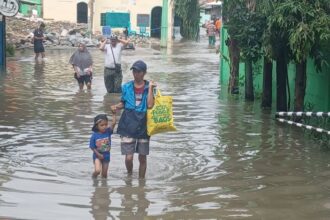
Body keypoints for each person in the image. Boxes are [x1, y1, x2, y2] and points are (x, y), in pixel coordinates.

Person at [111, 60, 157, 179]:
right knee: (129, 157)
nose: (136, 74)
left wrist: (151, 89)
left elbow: (150, 105)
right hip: (128, 122)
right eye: (134, 71)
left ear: (144, 73)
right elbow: (123, 103)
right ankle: (130, 175)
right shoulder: (126, 87)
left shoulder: (150, 87)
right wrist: (116, 107)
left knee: (142, 157)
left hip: (143, 124)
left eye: (139, 71)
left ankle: (141, 183)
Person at [89, 112, 116, 178]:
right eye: (102, 125)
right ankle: (93, 178)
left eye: (106, 124)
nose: (104, 126)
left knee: (104, 175)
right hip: (97, 155)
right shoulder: (94, 136)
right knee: (98, 171)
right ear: (97, 126)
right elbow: (92, 147)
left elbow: (114, 123)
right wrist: (98, 154)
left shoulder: (108, 132)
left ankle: (104, 187)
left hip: (106, 155)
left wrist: (114, 114)